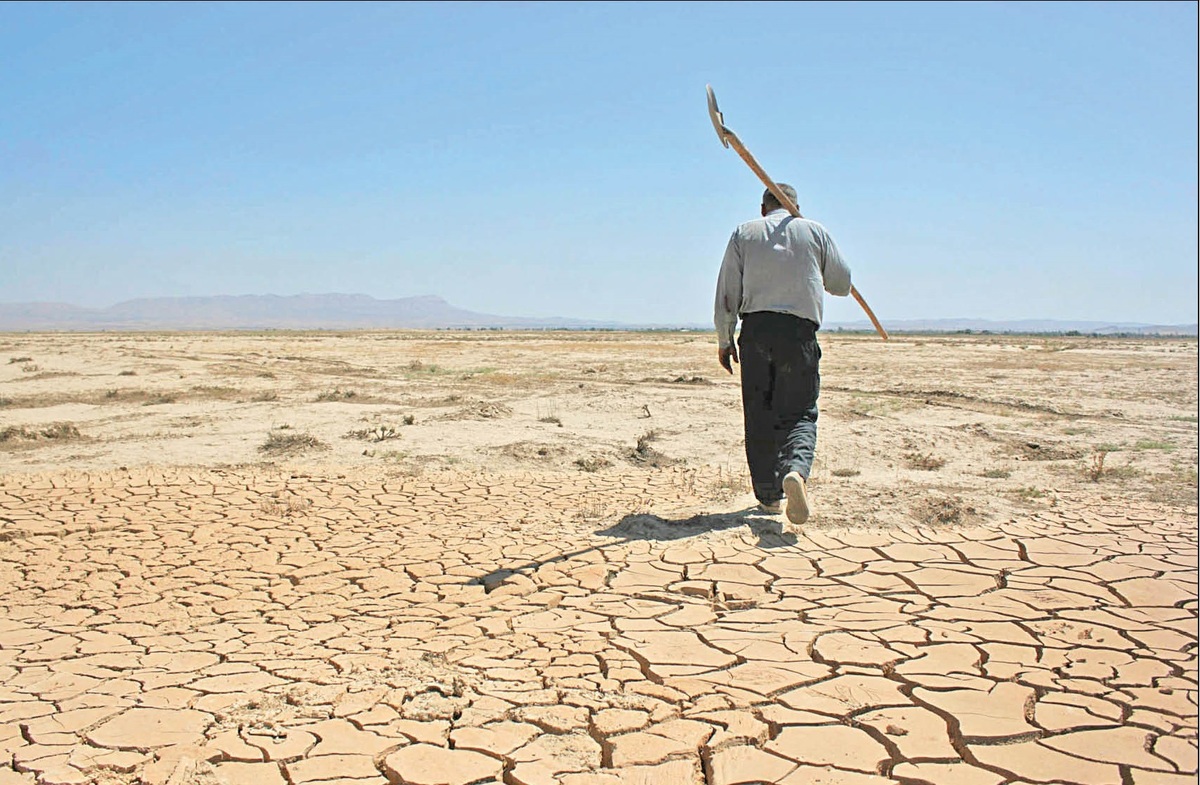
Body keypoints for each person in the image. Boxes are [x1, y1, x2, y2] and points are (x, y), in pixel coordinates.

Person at [713, 183, 852, 526]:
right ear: (794, 206)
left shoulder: (744, 233)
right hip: (798, 334)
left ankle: (768, 495)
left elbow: (728, 291)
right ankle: (794, 471)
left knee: (759, 415)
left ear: (763, 208)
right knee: (800, 413)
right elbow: (842, 284)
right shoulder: (814, 232)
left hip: (756, 333)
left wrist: (724, 338)